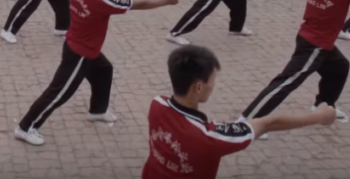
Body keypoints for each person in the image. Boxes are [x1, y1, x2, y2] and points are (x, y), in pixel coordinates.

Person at [14, 0, 178, 146]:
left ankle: (98, 110)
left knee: (104, 70)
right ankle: (25, 127)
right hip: (79, 54)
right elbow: (139, 3)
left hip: (84, 47)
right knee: (58, 92)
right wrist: (167, 0)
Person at [141, 45, 336, 178]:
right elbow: (268, 123)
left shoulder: (156, 104)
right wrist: (319, 117)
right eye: (212, 81)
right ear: (198, 87)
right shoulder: (210, 137)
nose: (213, 86)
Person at [239, 0, 350, 134]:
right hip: (315, 46)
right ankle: (247, 122)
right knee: (286, 82)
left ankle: (323, 104)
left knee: (339, 66)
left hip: (311, 38)